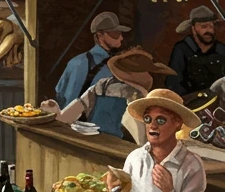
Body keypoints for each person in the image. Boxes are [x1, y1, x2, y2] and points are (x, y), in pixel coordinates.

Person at [45, 48, 173, 141]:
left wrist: (55, 111)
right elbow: (142, 141)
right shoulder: (140, 98)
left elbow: (65, 117)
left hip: (93, 145)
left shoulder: (101, 86)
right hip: (120, 153)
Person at [56, 12, 128, 105]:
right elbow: (68, 100)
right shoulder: (79, 63)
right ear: (100, 34)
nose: (121, 38)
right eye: (115, 33)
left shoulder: (75, 62)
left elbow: (60, 94)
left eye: (120, 33)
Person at [167, 4, 225, 97]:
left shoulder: (221, 50)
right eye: (204, 27)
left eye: (211, 26)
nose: (209, 30)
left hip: (217, 102)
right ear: (193, 28)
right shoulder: (182, 49)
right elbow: (174, 81)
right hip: (189, 102)